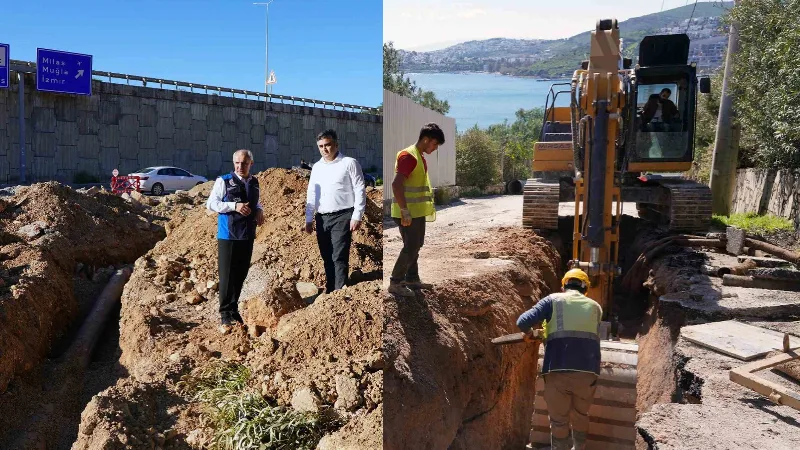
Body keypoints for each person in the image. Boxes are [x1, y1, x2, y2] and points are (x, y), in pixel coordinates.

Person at [516, 268, 602, 450]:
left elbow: (522, 322)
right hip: (588, 372)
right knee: (581, 414)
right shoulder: (596, 307)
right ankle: (579, 448)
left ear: (563, 286)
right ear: (585, 288)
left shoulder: (552, 300)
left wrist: (531, 333)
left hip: (557, 369)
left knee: (559, 420)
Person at [205, 149, 265, 334]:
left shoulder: (254, 182)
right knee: (227, 276)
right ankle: (225, 313)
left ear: (251, 164)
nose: (240, 166)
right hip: (228, 234)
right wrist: (234, 206)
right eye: (237, 163)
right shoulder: (223, 181)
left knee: (240, 274)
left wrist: (260, 209)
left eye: (244, 163)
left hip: (247, 234)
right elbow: (211, 204)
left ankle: (234, 309)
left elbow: (255, 201)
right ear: (233, 163)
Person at [303, 129, 366, 294]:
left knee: (338, 255)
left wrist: (357, 215)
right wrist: (309, 218)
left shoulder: (349, 163)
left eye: (328, 145)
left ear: (336, 144)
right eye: (321, 146)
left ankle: (339, 291)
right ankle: (330, 289)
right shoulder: (316, 167)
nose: (325, 149)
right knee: (326, 255)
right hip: (322, 217)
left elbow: (360, 189)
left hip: (343, 215)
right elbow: (312, 193)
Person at [387, 123, 445, 298]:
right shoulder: (409, 157)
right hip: (407, 213)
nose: (435, 148)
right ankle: (395, 282)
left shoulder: (419, 156)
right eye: (434, 144)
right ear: (426, 139)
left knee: (415, 245)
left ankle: (412, 279)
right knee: (411, 246)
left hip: (416, 212)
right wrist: (404, 210)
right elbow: (396, 185)